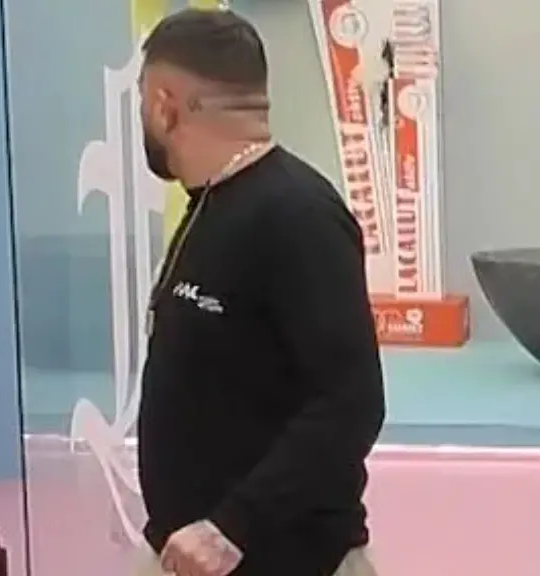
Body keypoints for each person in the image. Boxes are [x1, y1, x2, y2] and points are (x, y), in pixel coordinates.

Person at [134, 8, 385, 576]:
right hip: (192, 552)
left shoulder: (298, 216)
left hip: (282, 558)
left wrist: (232, 526)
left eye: (144, 102)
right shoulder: (212, 203)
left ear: (165, 105)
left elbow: (351, 402)